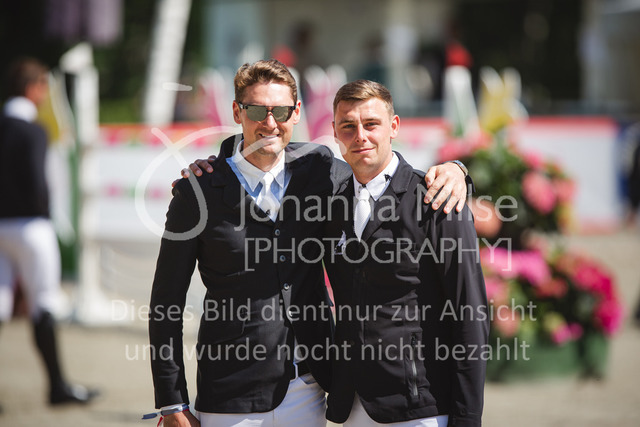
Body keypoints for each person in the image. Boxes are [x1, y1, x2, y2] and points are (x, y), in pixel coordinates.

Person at [150, 60, 469, 427]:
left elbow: (383, 169)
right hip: (228, 393)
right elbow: (165, 303)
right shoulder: (197, 193)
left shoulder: (321, 171)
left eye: (281, 111)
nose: (270, 122)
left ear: (297, 112)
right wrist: (171, 402)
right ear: (237, 112)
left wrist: (457, 171)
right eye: (257, 110)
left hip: (309, 391)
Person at [323, 80, 488, 426]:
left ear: (394, 126)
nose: (360, 136)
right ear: (334, 132)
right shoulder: (328, 202)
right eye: (348, 126)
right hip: (352, 405)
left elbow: (470, 314)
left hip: (419, 406)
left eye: (371, 124)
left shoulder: (438, 200)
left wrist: (467, 418)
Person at [0, 57, 99, 405]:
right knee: (44, 303)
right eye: (43, 86)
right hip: (31, 226)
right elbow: (38, 181)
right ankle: (57, 385)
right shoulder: (34, 130)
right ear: (32, 88)